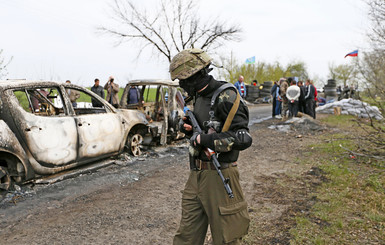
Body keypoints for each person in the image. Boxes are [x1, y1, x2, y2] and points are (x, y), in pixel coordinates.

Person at [170, 48, 252, 245]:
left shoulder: (226, 96)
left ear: (198, 75)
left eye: (185, 80)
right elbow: (201, 128)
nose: (182, 85)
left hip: (220, 174)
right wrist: (188, 130)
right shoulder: (196, 96)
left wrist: (205, 141)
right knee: (186, 237)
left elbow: (243, 139)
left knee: (226, 238)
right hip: (196, 174)